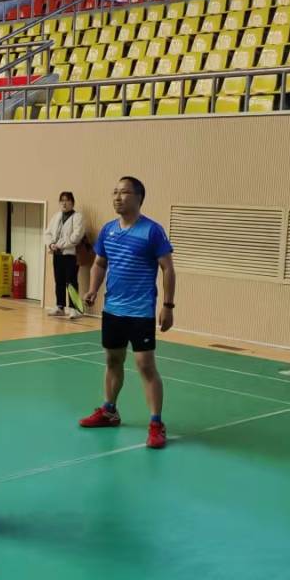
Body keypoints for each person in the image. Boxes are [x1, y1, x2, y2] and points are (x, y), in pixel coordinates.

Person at [80, 176, 176, 449]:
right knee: (113, 360)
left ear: (138, 197)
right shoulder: (108, 230)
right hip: (113, 310)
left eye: (124, 192)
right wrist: (93, 289)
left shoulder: (152, 231)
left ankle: (156, 423)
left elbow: (168, 268)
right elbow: (100, 263)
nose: (117, 197)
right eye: (115, 192)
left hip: (141, 311)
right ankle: (109, 411)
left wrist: (168, 306)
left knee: (145, 365)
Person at [44, 191, 86, 318]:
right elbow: (47, 233)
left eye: (67, 200)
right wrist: (51, 244)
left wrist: (60, 245)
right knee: (59, 281)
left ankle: (75, 309)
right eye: (62, 200)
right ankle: (60, 306)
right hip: (57, 254)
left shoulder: (77, 217)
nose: (64, 203)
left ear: (72, 203)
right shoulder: (57, 216)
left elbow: (76, 236)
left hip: (70, 255)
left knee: (71, 282)